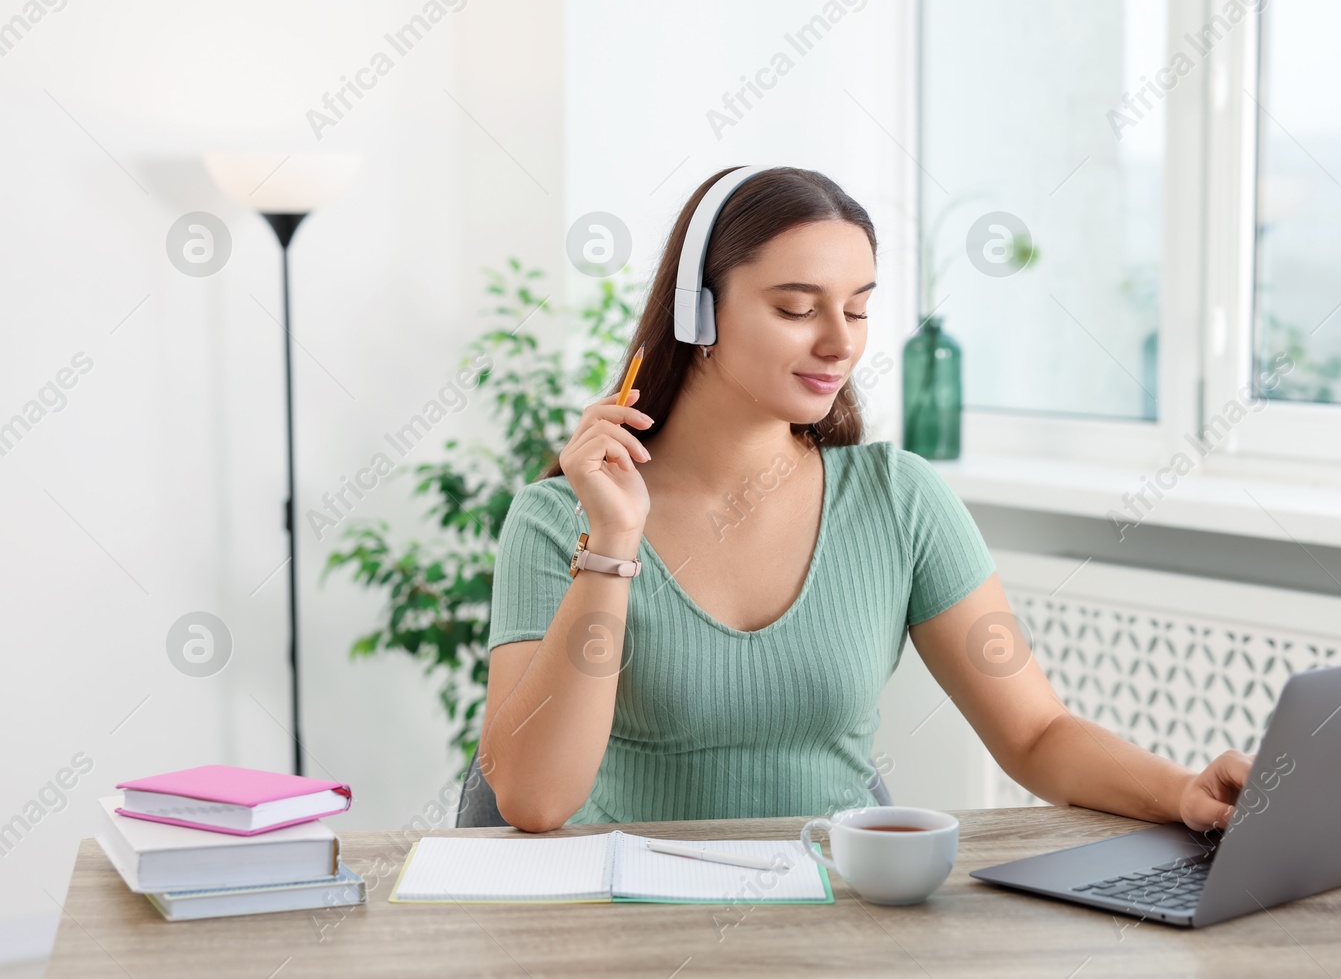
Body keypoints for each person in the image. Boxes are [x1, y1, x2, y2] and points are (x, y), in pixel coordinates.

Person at [479, 165, 1251, 832]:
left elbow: (1037, 733)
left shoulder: (898, 500)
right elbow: (536, 801)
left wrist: (1180, 790)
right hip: (628, 931)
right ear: (698, 314)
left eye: (856, 308)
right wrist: (613, 544)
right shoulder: (558, 523)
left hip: (838, 920)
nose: (840, 343)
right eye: (796, 308)